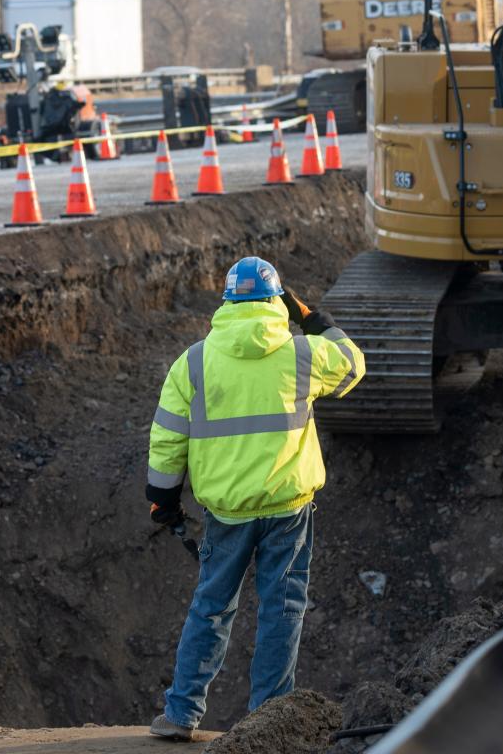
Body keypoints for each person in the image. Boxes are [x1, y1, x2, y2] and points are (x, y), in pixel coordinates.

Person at [145, 256, 365, 741]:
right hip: (288, 509)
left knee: (211, 607)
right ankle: (269, 722)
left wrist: (163, 499)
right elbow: (353, 364)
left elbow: (166, 440)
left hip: (226, 512)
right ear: (276, 301)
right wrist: (314, 319)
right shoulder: (303, 353)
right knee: (282, 608)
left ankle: (181, 715)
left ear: (227, 301)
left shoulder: (194, 361)